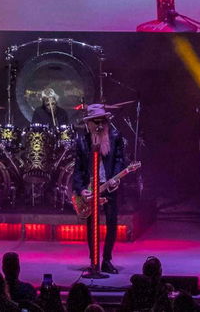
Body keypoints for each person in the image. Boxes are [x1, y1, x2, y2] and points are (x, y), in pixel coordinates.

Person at [72, 104, 129, 274]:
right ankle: (94, 260)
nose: (100, 125)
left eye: (102, 121)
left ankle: (107, 260)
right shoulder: (82, 141)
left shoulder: (115, 136)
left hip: (109, 186)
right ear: (89, 123)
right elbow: (78, 169)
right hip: (91, 188)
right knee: (92, 226)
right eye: (96, 122)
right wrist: (81, 189)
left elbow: (119, 160)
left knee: (111, 222)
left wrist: (116, 178)